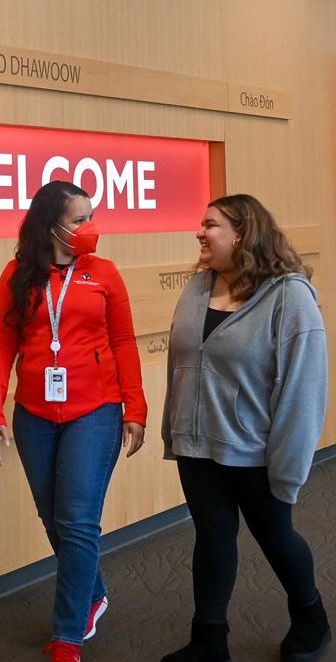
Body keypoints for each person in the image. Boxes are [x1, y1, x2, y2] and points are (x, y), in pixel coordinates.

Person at [161, 194, 331, 662]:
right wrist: (171, 431)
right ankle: (208, 641)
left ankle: (312, 618)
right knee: (212, 537)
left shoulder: (288, 296)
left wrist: (289, 468)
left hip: (256, 452)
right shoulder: (197, 288)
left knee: (276, 537)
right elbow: (181, 367)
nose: (200, 231)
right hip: (197, 446)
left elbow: (304, 390)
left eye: (210, 224)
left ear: (242, 233)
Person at [0, 180, 147, 662]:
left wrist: (134, 408)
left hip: (94, 410)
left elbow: (124, 343)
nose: (89, 227)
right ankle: (92, 593)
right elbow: (1, 347)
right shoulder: (17, 276)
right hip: (34, 413)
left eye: (90, 217)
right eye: (80, 219)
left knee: (77, 521)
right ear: (50, 224)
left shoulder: (105, 274)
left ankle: (67, 635)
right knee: (55, 517)